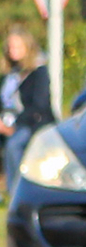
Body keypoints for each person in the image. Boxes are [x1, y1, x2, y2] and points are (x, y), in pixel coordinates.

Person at [3, 23, 54, 195]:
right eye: (10, 47)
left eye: (17, 46)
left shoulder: (38, 72)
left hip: (31, 123)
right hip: (8, 121)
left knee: (14, 145)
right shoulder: (9, 74)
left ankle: (16, 192)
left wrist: (13, 126)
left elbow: (39, 106)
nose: (12, 50)